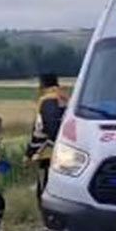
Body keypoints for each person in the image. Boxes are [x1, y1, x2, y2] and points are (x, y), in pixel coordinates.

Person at [25, 73, 68, 204]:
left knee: (46, 190)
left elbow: (48, 127)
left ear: (42, 84)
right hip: (65, 149)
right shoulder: (64, 97)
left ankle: (49, 219)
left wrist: (31, 153)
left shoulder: (48, 100)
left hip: (47, 151)